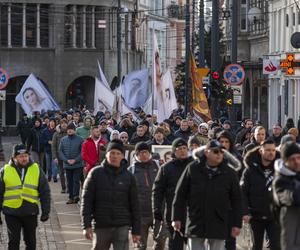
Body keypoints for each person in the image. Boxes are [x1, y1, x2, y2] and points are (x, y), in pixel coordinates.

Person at [172, 140, 242, 250]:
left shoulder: (229, 173)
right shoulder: (193, 168)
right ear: (206, 152)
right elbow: (180, 194)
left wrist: (237, 224)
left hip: (219, 221)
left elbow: (237, 200)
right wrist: (176, 218)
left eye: (221, 152)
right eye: (215, 152)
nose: (219, 154)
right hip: (196, 220)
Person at [80, 139, 141, 250]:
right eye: (112, 153)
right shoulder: (95, 173)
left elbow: (135, 205)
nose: (114, 156)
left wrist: (136, 230)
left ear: (122, 156)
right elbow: (86, 201)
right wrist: (86, 225)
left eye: (118, 153)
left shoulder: (129, 177)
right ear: (106, 154)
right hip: (101, 225)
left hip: (122, 225)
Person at [0, 144, 51, 250]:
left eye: (26, 156)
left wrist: (46, 211)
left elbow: (45, 191)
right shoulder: (5, 170)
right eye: (21, 156)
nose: (24, 158)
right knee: (13, 242)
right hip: (11, 212)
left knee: (31, 242)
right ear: (14, 157)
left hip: (30, 212)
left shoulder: (36, 169)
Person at [152, 138, 193, 250]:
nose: (183, 151)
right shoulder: (166, 168)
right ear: (174, 151)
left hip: (193, 214)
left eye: (185, 148)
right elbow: (157, 191)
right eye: (179, 149)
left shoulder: (195, 166)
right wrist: (156, 210)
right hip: (172, 214)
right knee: (175, 245)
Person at [241, 139, 281, 250]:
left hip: (275, 216)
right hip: (255, 215)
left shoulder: (280, 169)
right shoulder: (250, 170)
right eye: (268, 150)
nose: (271, 152)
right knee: (256, 246)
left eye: (273, 150)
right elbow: (243, 192)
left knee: (277, 246)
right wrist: (245, 212)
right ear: (260, 151)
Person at [128, 142, 165, 250]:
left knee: (160, 242)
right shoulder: (131, 170)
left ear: (149, 153)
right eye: (141, 152)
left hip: (158, 212)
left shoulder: (159, 167)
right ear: (136, 154)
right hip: (140, 214)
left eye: (146, 152)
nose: (143, 155)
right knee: (140, 245)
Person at [273, 142, 300, 250]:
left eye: (298, 158)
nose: (296, 162)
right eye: (292, 159)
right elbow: (292, 198)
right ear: (285, 161)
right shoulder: (280, 181)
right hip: (292, 240)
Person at [59, 123, 84, 204]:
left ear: (74, 130)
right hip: (67, 165)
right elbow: (60, 151)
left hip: (78, 165)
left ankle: (76, 196)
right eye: (68, 129)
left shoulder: (80, 139)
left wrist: (75, 160)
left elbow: (82, 152)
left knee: (76, 180)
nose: (69, 130)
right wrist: (66, 160)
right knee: (69, 181)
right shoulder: (63, 140)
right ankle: (71, 197)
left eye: (71, 129)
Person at [51, 119, 68, 193]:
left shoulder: (69, 132)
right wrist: (54, 157)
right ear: (60, 124)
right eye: (62, 123)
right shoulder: (56, 134)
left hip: (68, 156)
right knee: (61, 172)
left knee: (68, 173)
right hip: (59, 156)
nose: (64, 124)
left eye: (65, 123)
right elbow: (53, 146)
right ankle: (63, 187)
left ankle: (69, 187)